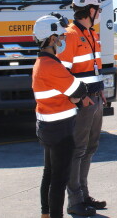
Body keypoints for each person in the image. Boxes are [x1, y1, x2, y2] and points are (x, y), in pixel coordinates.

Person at [32, 14, 90, 218]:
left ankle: (45, 214)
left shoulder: (40, 63)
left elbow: (73, 94)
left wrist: (73, 98)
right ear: (51, 39)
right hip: (60, 130)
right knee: (59, 179)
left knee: (49, 174)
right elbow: (79, 89)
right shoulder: (52, 66)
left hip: (47, 127)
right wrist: (75, 97)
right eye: (60, 37)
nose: (63, 40)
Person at [57, 0, 106, 216]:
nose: (99, 13)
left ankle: (84, 195)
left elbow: (93, 68)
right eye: (97, 9)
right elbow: (62, 73)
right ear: (89, 10)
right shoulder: (70, 35)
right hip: (81, 103)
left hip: (95, 99)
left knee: (90, 148)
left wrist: (100, 90)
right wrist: (80, 97)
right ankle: (75, 201)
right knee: (77, 150)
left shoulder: (91, 34)